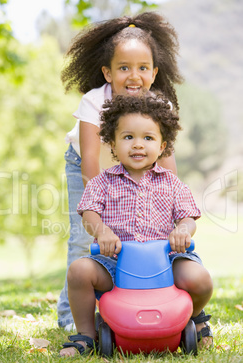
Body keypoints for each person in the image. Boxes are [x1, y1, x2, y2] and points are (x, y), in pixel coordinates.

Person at [59, 93, 214, 357]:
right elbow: (89, 214)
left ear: (163, 145)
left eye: (148, 138)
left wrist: (182, 230)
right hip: (116, 262)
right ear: (112, 143)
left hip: (165, 261)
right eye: (128, 137)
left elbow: (188, 218)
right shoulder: (101, 183)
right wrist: (102, 231)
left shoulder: (172, 183)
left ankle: (196, 318)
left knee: (200, 279)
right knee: (79, 271)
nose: (138, 145)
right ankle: (85, 336)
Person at [57, 11, 184, 330]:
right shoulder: (94, 101)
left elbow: (166, 163)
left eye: (142, 68)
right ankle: (71, 319)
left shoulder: (160, 106)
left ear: (154, 73)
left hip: (138, 165)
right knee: (83, 239)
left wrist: (175, 213)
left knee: (144, 236)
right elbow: (90, 161)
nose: (133, 76)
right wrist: (99, 218)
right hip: (89, 169)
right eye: (123, 68)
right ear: (107, 72)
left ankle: (151, 304)